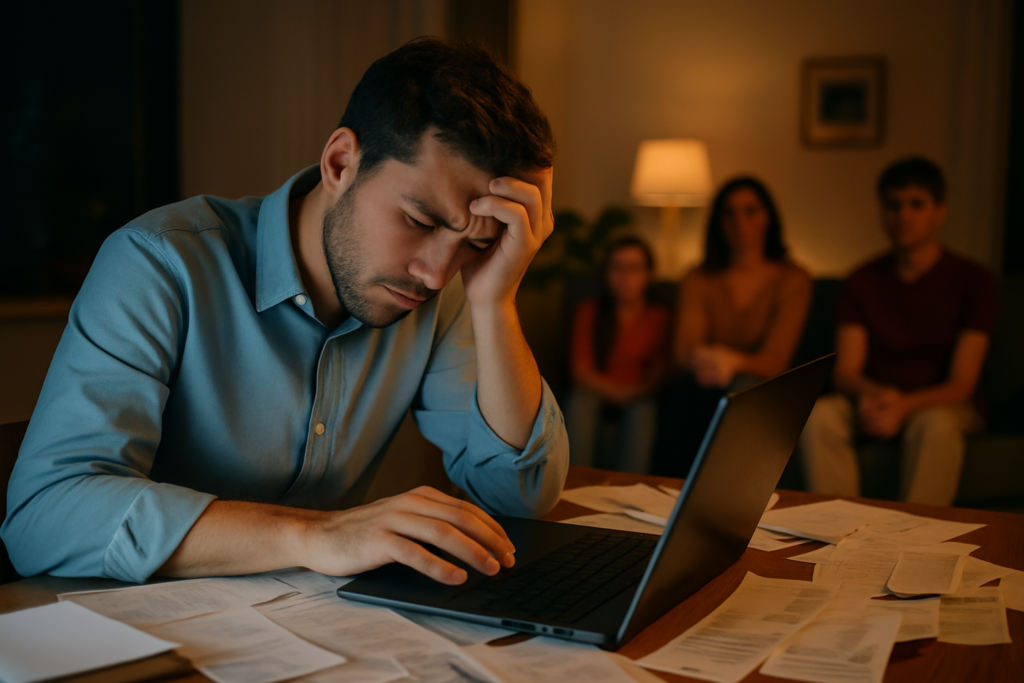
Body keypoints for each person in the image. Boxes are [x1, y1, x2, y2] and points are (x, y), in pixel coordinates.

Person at [1, 39, 569, 586]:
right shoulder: (160, 262)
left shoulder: (438, 297)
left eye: (475, 243)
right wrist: (313, 536)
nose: (437, 273)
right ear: (341, 161)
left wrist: (495, 302)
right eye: (420, 222)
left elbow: (520, 496)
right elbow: (44, 517)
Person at [799, 157, 999, 505]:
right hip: (876, 398)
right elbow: (846, 371)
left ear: (940, 211)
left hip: (941, 403)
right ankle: (841, 532)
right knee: (820, 416)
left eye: (916, 205)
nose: (903, 216)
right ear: (882, 212)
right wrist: (878, 396)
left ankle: (915, 537)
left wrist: (905, 405)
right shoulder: (861, 281)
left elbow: (962, 384)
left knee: (934, 424)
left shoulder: (975, 281)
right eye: (893, 205)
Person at [652, 176, 811, 476]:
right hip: (704, 384)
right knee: (688, 393)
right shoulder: (699, 278)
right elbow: (684, 349)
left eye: (750, 211)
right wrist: (710, 361)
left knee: (743, 390)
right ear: (718, 222)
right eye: (730, 212)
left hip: (764, 389)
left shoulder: (793, 279)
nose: (739, 221)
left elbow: (778, 359)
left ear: (768, 217)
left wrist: (735, 362)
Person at [566, 236, 670, 473]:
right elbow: (580, 371)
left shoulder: (659, 317)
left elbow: (659, 374)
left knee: (643, 411)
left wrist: (633, 393)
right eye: (617, 268)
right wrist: (618, 393)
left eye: (634, 269)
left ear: (648, 274)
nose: (625, 277)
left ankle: (628, 488)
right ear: (606, 273)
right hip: (597, 392)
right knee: (580, 402)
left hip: (640, 395)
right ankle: (575, 480)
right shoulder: (589, 311)